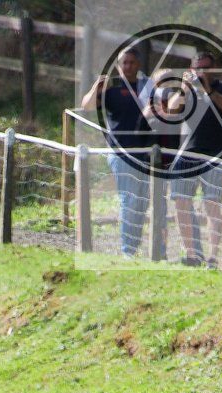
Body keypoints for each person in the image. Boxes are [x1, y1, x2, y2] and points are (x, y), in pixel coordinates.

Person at [161, 51, 222, 266]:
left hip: (214, 155)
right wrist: (185, 88)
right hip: (187, 154)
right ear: (191, 69)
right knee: (180, 202)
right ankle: (192, 254)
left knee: (212, 205)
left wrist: (209, 89)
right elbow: (171, 109)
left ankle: (215, 256)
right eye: (197, 68)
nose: (201, 71)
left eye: (205, 67)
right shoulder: (187, 90)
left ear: (213, 69)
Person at [82, 45, 157, 257]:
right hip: (121, 153)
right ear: (118, 65)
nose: (128, 66)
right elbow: (87, 105)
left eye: (132, 62)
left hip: (144, 152)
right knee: (129, 200)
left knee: (142, 202)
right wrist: (97, 84)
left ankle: (134, 246)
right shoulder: (111, 90)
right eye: (124, 62)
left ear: (139, 64)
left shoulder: (146, 87)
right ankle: (127, 251)